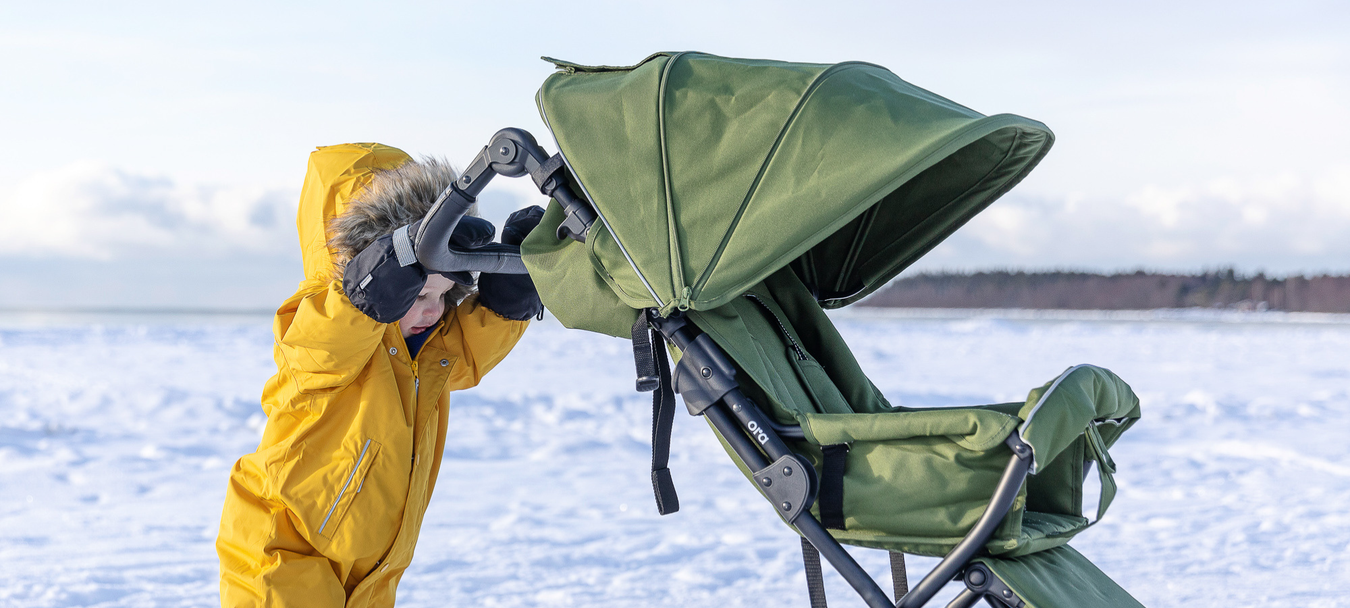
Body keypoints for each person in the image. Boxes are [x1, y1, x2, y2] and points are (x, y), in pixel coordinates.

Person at [216, 143, 543, 607]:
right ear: (379, 271)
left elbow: (461, 357)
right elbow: (322, 347)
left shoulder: (423, 346)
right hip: (285, 559)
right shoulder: (322, 319)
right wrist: (365, 295)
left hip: (373, 573)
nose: (432, 312)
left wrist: (505, 302)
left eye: (445, 295)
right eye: (420, 293)